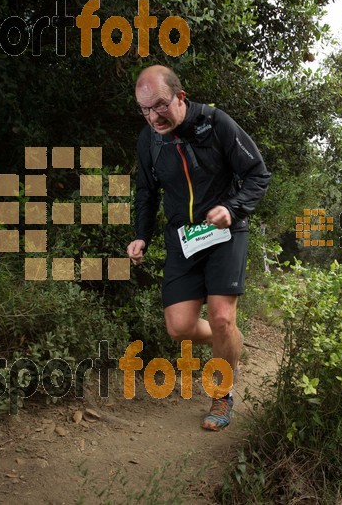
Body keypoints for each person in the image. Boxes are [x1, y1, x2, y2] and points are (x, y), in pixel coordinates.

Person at [126, 65, 271, 430]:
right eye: (144, 109)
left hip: (225, 232)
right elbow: (146, 191)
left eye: (159, 105)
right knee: (180, 328)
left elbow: (257, 173)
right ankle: (230, 340)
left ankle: (221, 395)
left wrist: (232, 208)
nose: (152, 116)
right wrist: (141, 234)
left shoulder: (216, 123)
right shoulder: (149, 140)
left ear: (180, 97)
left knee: (222, 316)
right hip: (182, 238)